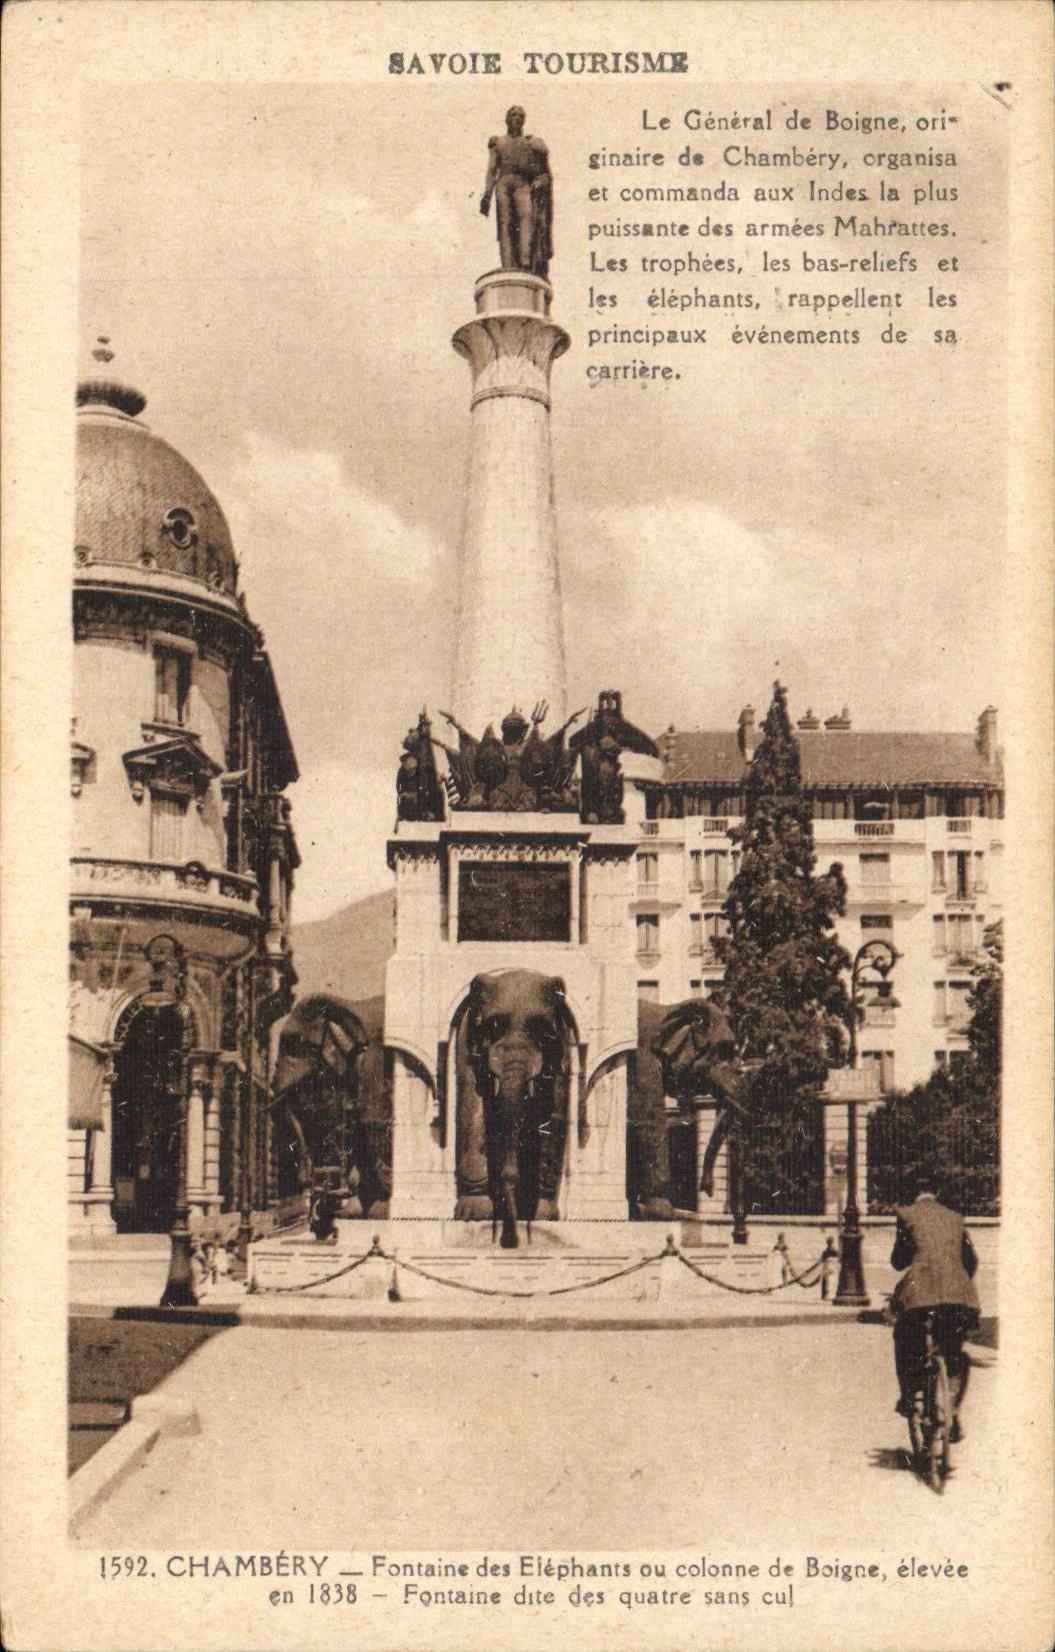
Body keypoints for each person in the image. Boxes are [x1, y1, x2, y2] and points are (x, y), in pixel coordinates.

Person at [890, 1168, 980, 1442]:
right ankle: (951, 1411)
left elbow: (898, 1261)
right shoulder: (955, 1218)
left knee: (903, 1339)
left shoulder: (906, 1216)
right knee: (955, 1355)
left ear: (913, 1194)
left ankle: (908, 1396)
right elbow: (971, 1261)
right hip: (958, 1296)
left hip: (920, 1296)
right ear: (936, 1193)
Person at [480, 107, 553, 277]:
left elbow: (541, 170)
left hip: (522, 184)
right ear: (507, 120)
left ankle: (526, 261)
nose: (517, 119)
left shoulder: (529, 142)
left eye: (520, 116)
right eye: (513, 115)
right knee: (506, 223)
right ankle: (508, 264)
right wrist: (487, 195)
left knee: (526, 216)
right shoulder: (499, 143)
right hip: (504, 183)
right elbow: (492, 170)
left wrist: (540, 180)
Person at [820, 1233, 839, 1299]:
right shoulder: (835, 1251)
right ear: (832, 1242)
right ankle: (831, 1295)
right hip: (833, 1267)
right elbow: (839, 1259)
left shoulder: (825, 1252)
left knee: (826, 1281)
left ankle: (825, 1295)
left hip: (827, 1267)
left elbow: (822, 1260)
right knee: (833, 1281)